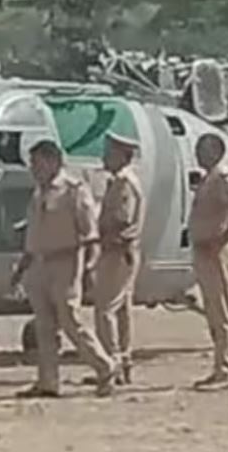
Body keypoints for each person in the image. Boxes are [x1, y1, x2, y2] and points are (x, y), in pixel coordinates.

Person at [11, 140, 117, 398]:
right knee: (44, 326)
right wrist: (22, 267)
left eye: (38, 163)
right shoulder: (39, 193)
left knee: (71, 321)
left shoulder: (73, 190)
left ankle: (105, 367)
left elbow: (90, 234)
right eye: (32, 164)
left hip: (65, 263)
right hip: (39, 264)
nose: (34, 169)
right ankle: (48, 381)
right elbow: (34, 234)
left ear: (54, 162)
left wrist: (89, 268)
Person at [189, 133, 228, 391]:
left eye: (203, 149)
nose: (198, 154)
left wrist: (224, 236)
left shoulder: (222, 177)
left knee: (221, 311)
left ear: (216, 151)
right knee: (213, 311)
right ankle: (218, 366)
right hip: (204, 251)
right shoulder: (208, 178)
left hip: (216, 251)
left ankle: (224, 369)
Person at [88, 130, 145, 386]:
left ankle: (111, 362)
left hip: (118, 252)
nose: (104, 157)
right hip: (121, 251)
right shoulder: (120, 181)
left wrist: (97, 235)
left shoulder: (124, 184)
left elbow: (120, 220)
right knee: (121, 310)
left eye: (109, 153)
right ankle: (123, 360)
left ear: (123, 156)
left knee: (105, 310)